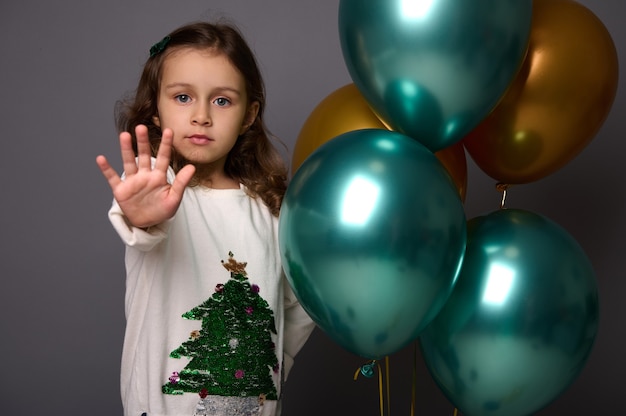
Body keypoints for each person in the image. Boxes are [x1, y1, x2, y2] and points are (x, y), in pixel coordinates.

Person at [96, 21, 315, 416]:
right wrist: (142, 216)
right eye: (182, 97)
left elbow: (298, 302)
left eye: (221, 101)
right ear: (157, 111)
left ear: (249, 116)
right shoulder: (156, 187)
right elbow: (141, 226)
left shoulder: (271, 210)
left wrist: (274, 366)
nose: (201, 116)